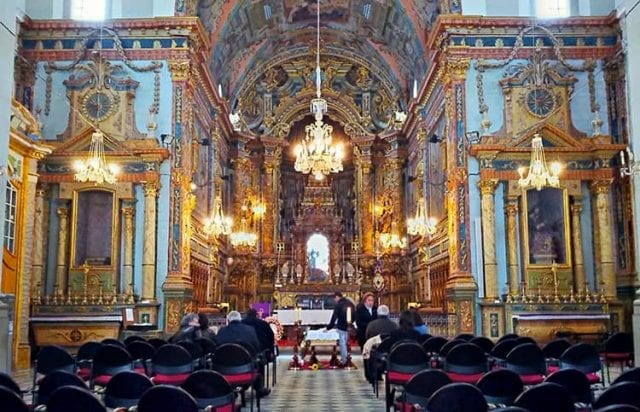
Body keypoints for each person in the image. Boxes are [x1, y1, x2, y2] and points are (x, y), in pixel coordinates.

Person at [217, 311, 270, 397]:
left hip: (224, 368)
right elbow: (257, 347)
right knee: (259, 360)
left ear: (228, 320)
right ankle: (259, 388)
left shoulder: (221, 331)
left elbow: (217, 348)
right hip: (246, 366)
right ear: (240, 319)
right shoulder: (249, 330)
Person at [326, 291, 351, 363]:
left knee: (342, 344)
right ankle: (347, 358)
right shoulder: (349, 303)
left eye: (335, 299)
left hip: (341, 326)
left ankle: (345, 360)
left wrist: (329, 327)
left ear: (337, 297)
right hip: (348, 326)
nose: (335, 300)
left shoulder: (339, 305)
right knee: (346, 343)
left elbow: (334, 317)